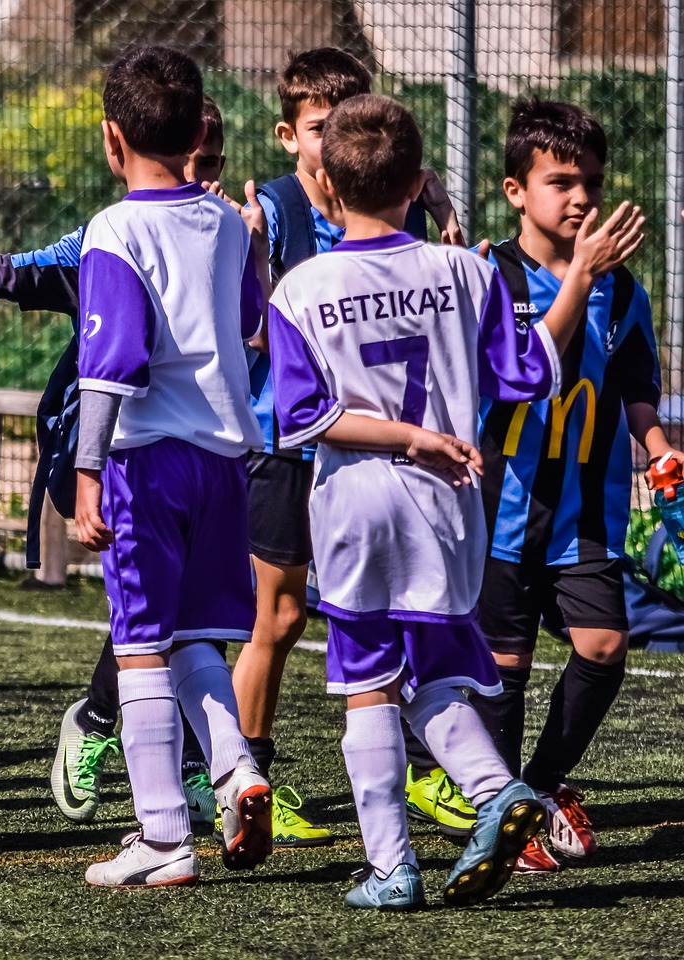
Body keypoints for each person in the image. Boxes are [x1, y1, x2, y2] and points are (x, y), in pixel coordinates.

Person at [268, 93, 642, 908]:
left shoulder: (301, 288)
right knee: (433, 676)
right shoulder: (466, 272)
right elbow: (530, 372)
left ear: (325, 182)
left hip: (359, 505)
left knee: (368, 685)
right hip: (451, 506)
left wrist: (405, 436)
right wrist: (577, 279)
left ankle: (391, 868)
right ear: (420, 181)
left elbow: (301, 419)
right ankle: (502, 793)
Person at [0, 95, 230, 836]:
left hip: (224, 454)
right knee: (160, 626)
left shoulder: (232, 234)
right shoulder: (106, 242)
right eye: (192, 167)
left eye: (211, 169)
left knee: (204, 624)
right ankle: (111, 729)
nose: (199, 181)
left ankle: (204, 770)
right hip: (118, 458)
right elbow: (11, 273)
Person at [234, 46, 469, 843]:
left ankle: (418, 777)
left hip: (360, 458)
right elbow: (258, 331)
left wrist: (440, 214)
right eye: (319, 126)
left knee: (377, 623)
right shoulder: (269, 207)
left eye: (345, 124)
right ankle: (244, 778)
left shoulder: (376, 218)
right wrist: (257, 257)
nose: (333, 137)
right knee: (282, 616)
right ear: (292, 137)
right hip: (292, 442)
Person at [73, 45, 270, 888]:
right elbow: (255, 320)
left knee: (140, 645)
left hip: (145, 461)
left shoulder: (114, 229)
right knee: (193, 640)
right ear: (197, 133)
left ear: (113, 141)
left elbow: (110, 360)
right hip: (226, 459)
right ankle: (236, 768)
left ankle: (162, 837)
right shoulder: (229, 223)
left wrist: (86, 471)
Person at [472, 99, 666, 872]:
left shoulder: (623, 292)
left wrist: (656, 447)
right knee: (505, 671)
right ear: (517, 190)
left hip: (586, 513)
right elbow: (513, 380)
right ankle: (499, 815)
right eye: (561, 181)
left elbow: (634, 381)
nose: (581, 196)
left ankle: (539, 788)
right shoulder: (489, 275)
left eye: (590, 180)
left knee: (606, 643)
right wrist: (576, 279)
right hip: (503, 510)